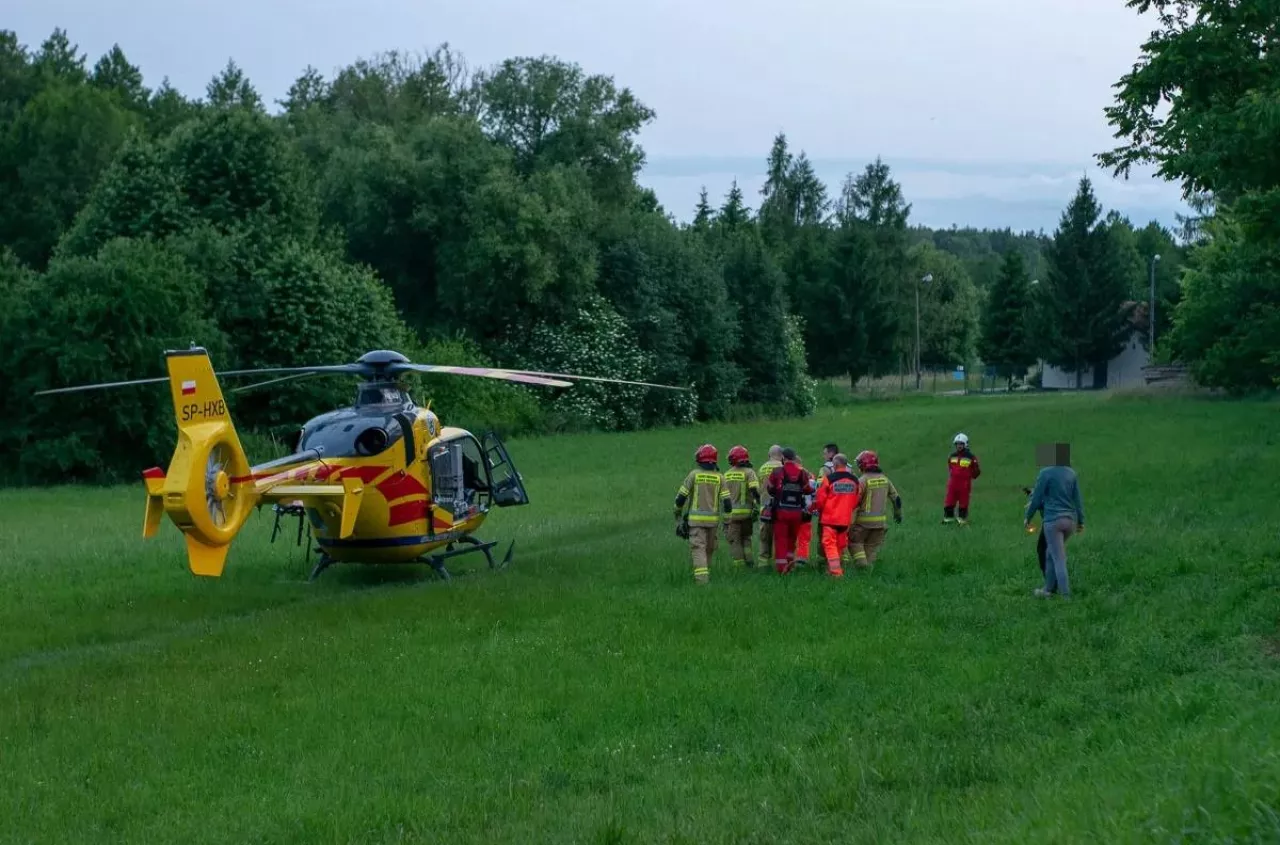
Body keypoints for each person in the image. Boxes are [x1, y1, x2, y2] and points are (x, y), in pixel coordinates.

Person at [1025, 443, 1084, 598]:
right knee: (1049, 554)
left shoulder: (1045, 473)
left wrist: (1028, 517)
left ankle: (1066, 596)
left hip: (1053, 521)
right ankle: (1048, 590)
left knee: (1058, 558)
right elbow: (1078, 500)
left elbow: (1036, 498)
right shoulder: (1071, 473)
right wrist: (1081, 522)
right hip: (1070, 521)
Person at [674, 444, 732, 584]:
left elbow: (681, 497)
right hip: (713, 522)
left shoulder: (694, 475)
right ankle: (705, 576)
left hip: (695, 522)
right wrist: (726, 522)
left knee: (698, 549)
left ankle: (701, 582)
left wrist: (677, 513)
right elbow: (728, 504)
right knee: (709, 549)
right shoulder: (720, 477)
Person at [850, 450, 903, 569]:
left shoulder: (862, 481)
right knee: (871, 547)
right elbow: (897, 499)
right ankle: (868, 570)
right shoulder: (885, 479)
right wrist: (898, 515)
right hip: (880, 524)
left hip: (863, 523)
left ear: (863, 465)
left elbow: (854, 502)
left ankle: (861, 565)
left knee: (855, 543)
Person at [766, 448, 815, 574]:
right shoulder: (802, 473)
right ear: (793, 458)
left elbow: (770, 489)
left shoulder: (777, 471)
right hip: (797, 513)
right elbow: (808, 489)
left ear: (783, 458)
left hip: (781, 512)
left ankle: (782, 569)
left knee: (780, 540)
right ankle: (790, 564)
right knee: (792, 539)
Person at [812, 453, 861, 577]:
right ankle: (832, 569)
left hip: (830, 519)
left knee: (829, 544)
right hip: (845, 520)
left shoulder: (830, 479)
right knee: (839, 545)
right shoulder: (855, 480)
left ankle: (835, 572)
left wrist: (814, 508)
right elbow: (856, 500)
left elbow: (820, 499)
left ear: (834, 465)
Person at [722, 445, 761, 567]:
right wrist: (759, 504)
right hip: (747, 514)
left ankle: (739, 568)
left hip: (732, 515)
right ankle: (749, 562)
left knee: (735, 541)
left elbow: (723, 497)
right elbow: (754, 489)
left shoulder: (726, 474)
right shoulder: (749, 472)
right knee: (746, 539)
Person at [942, 432, 981, 524]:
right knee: (949, 500)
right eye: (957, 444)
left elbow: (976, 471)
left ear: (965, 444)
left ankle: (962, 520)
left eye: (961, 444)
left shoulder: (971, 457)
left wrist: (969, 476)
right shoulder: (952, 456)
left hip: (964, 484)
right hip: (953, 483)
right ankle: (948, 519)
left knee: (963, 502)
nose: (959, 446)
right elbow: (950, 467)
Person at [757, 445, 784, 563]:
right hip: (780, 508)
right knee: (781, 537)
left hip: (765, 509)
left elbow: (758, 490)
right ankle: (781, 564)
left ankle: (763, 564)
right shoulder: (783, 467)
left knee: (764, 539)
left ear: (769, 455)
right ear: (782, 456)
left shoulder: (762, 468)